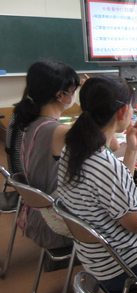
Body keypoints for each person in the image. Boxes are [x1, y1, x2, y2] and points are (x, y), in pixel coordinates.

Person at [58, 75, 137, 291]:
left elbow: (118, 188)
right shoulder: (106, 164)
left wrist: (131, 149)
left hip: (97, 260)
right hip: (126, 267)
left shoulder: (72, 149)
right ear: (121, 112)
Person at [8, 61, 79, 270]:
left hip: (36, 216)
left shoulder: (31, 122)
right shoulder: (58, 131)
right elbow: (107, 141)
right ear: (60, 95)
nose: (74, 95)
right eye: (74, 90)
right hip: (55, 225)